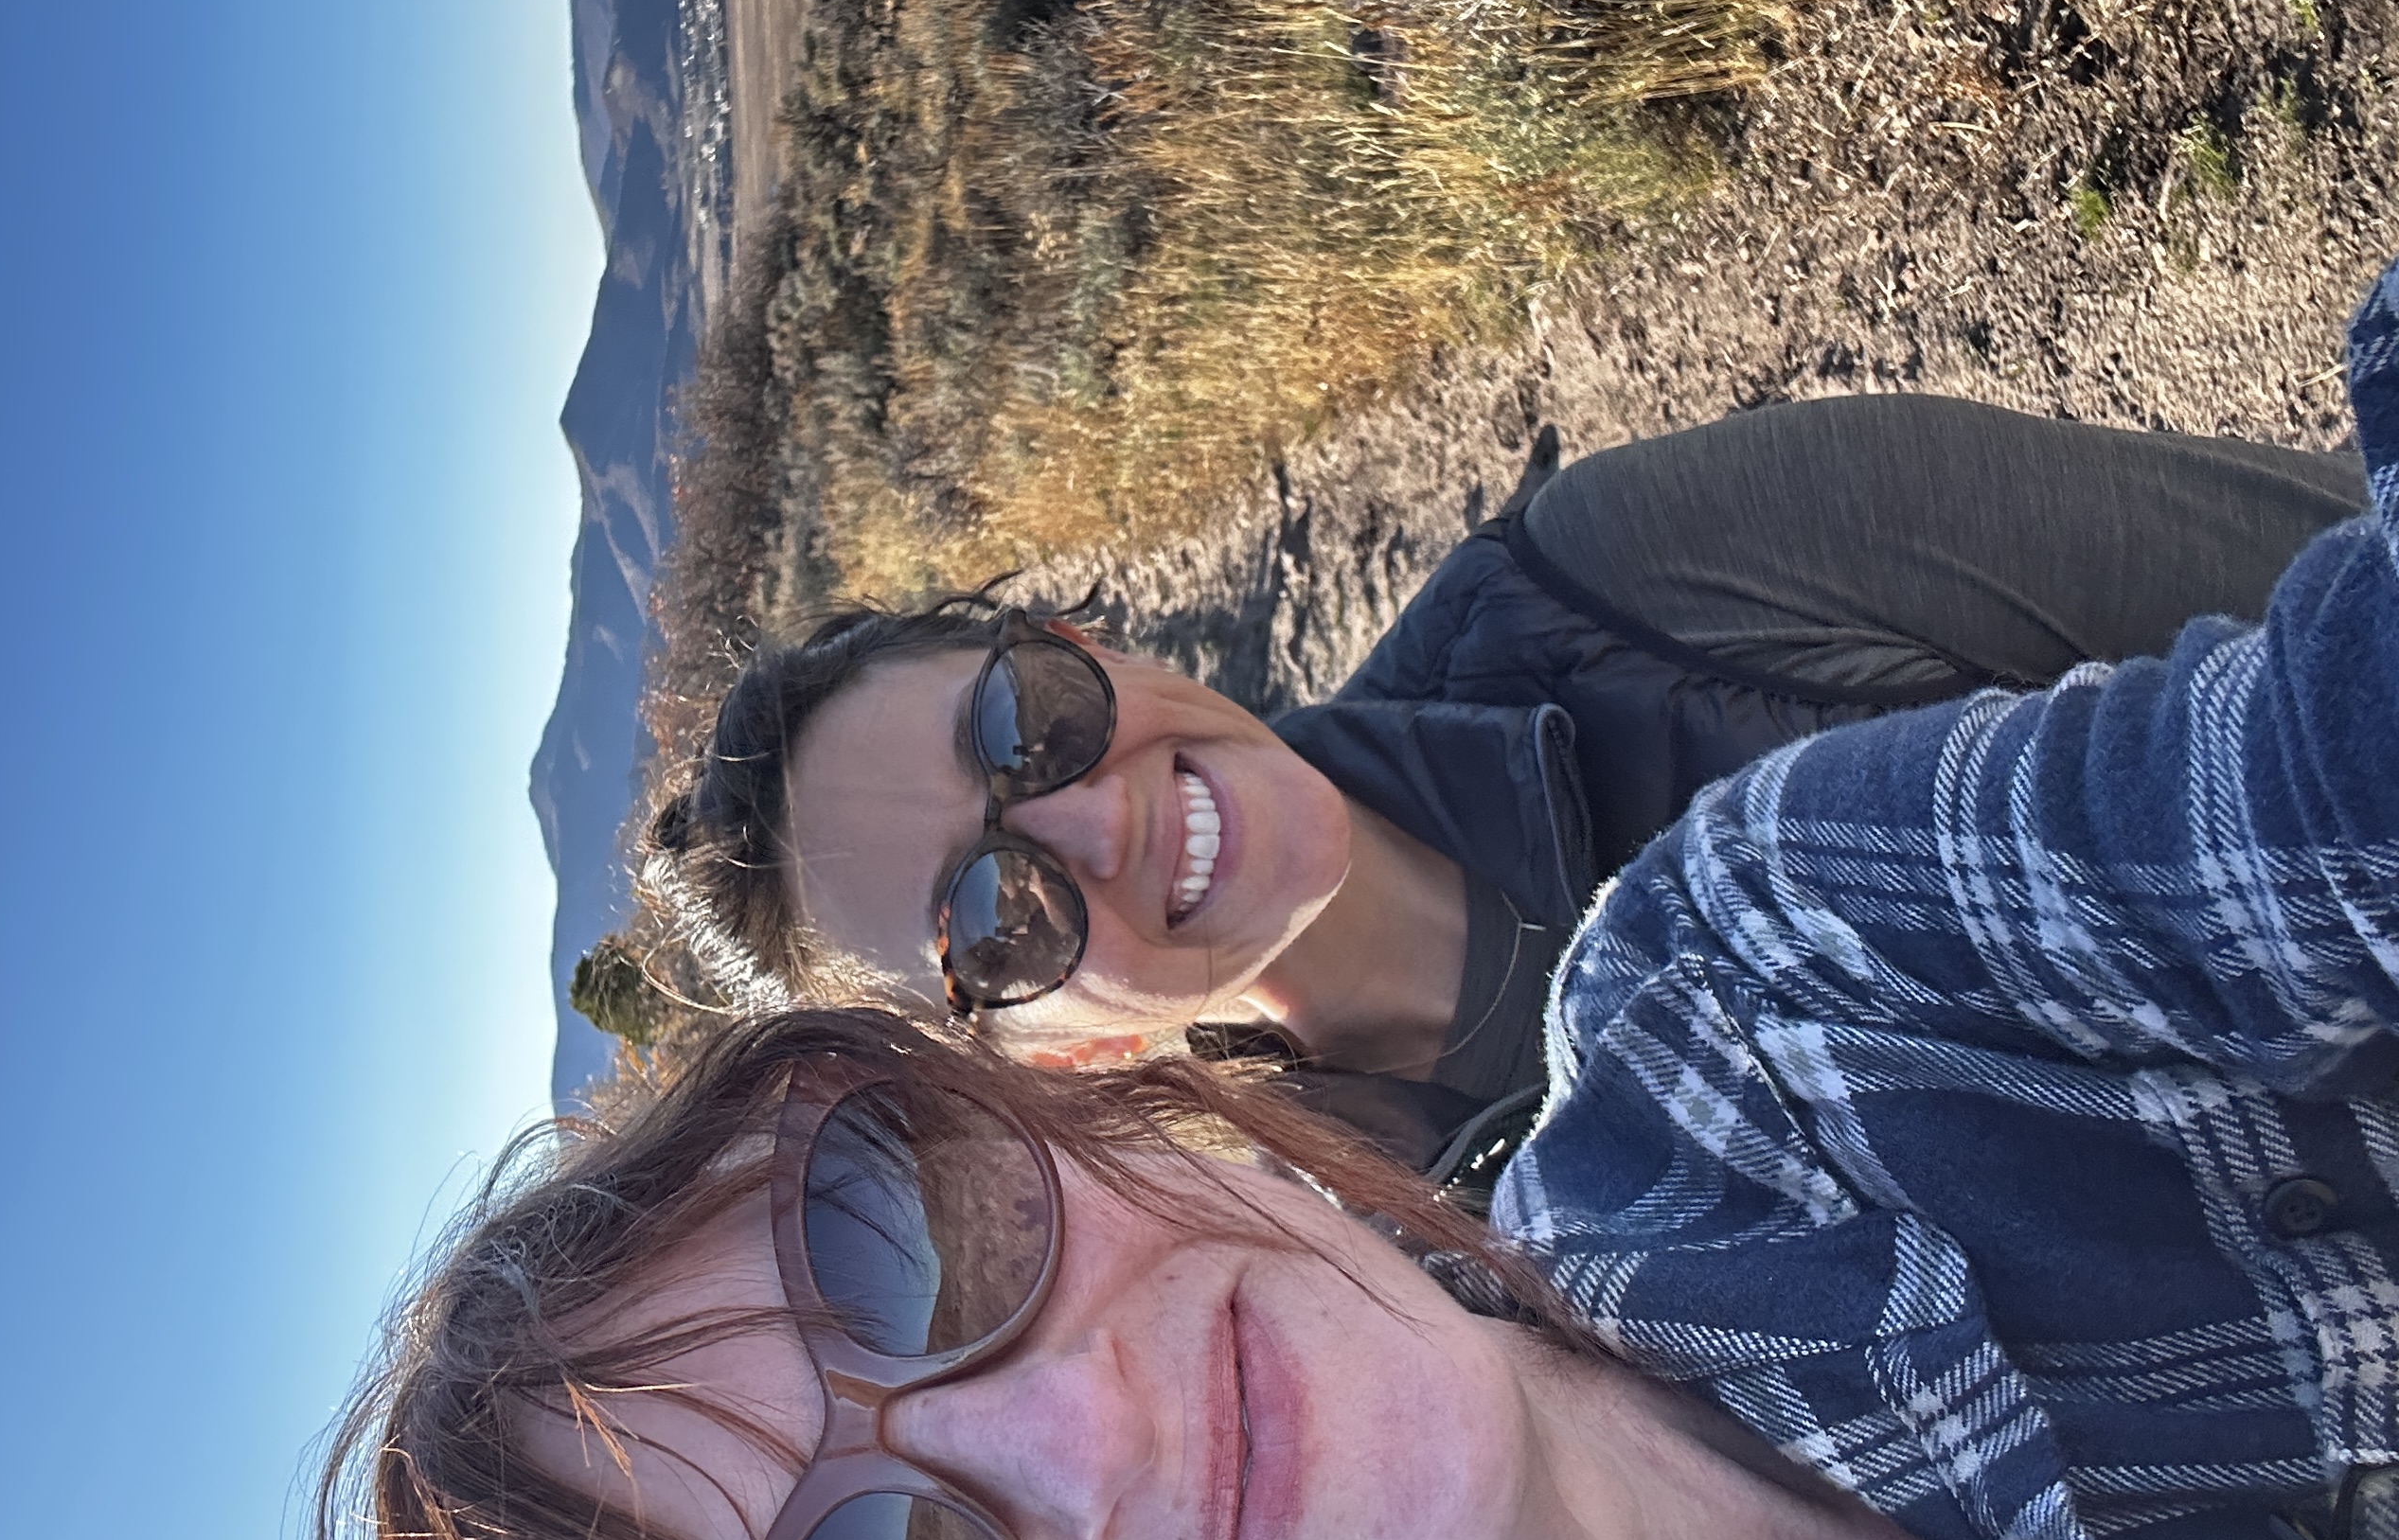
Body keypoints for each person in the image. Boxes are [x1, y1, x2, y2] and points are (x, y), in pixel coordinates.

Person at [318, 258, 2399, 1540]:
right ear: (1056, 1051)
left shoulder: (1715, 850)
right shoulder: (1401, 1276)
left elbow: (2294, 637)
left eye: (912, 1222)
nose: (1067, 1427)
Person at [647, 396, 2364, 1183]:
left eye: (1024, 724)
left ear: (1075, 637)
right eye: (992, 918)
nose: (1090, 818)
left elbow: (2335, 597)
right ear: (1054, 1057)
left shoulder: (1650, 577)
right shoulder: (1420, 1319)